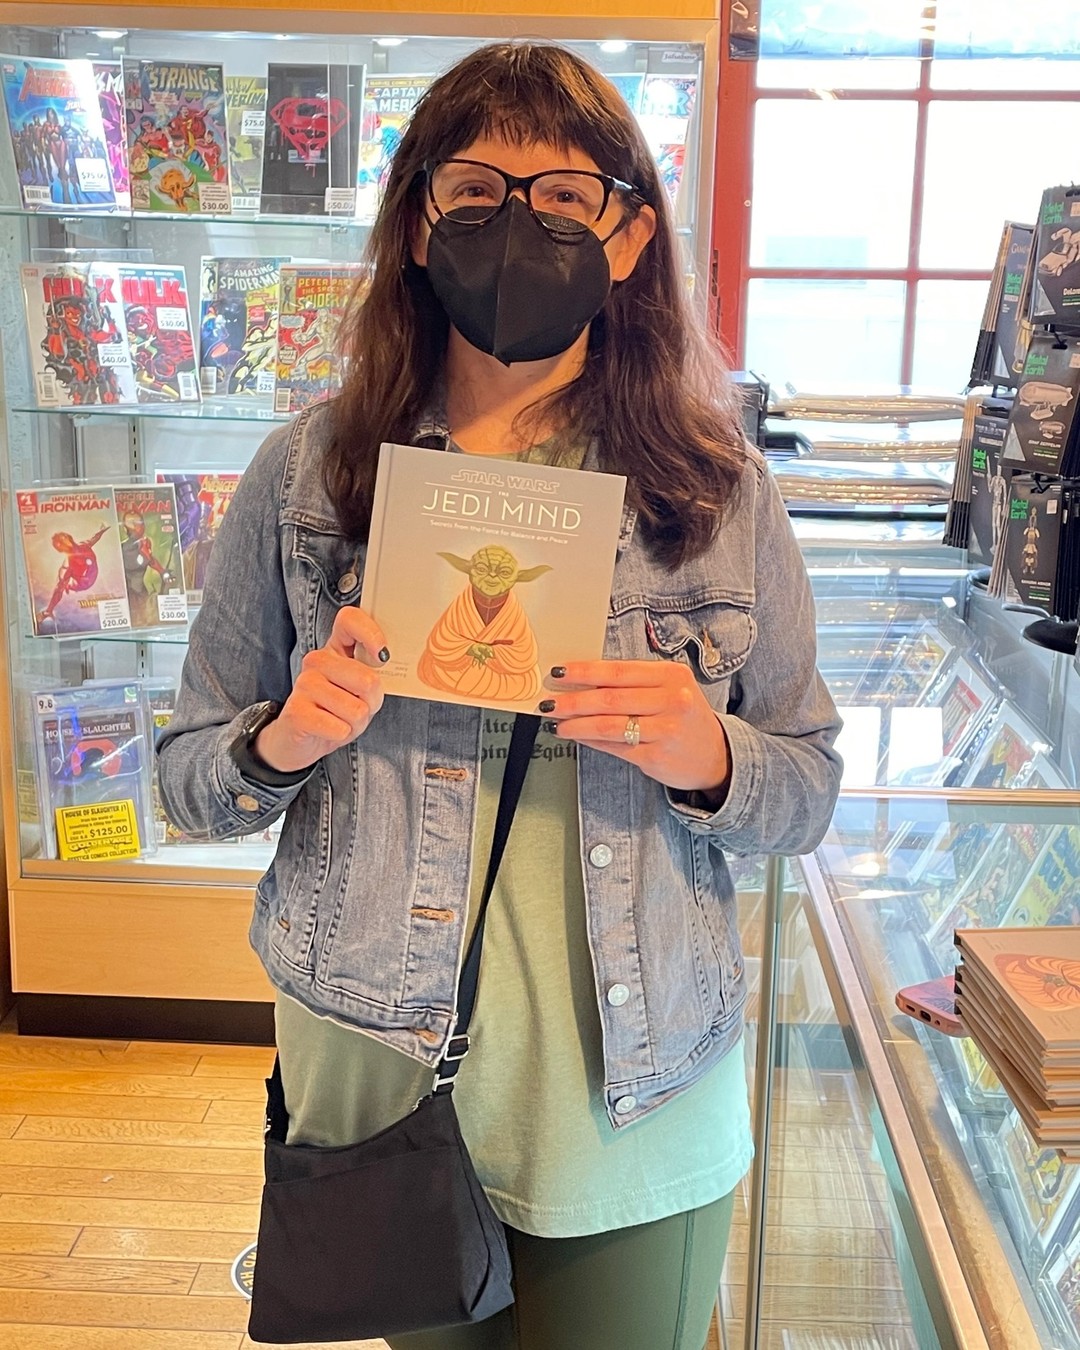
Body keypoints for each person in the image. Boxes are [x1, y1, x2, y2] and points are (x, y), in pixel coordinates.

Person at [158, 41, 842, 1350]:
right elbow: (187, 778)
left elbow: (807, 789)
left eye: (566, 198)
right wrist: (283, 739)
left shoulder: (716, 493)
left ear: (629, 236)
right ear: (419, 223)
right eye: (474, 191)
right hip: (381, 1070)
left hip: (637, 1088)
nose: (517, 227)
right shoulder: (307, 477)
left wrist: (709, 754)